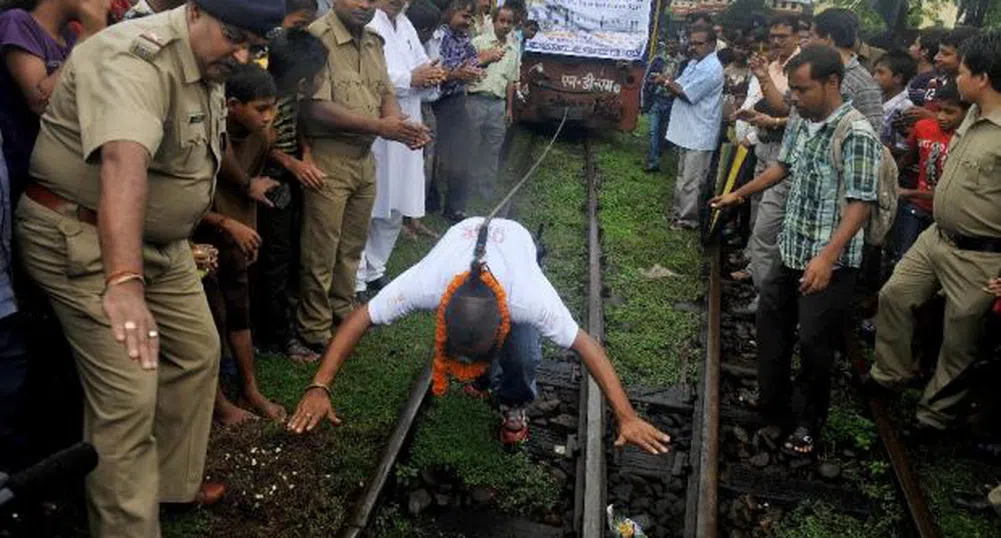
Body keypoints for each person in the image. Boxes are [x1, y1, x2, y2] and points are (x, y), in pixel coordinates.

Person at [13, 1, 285, 536]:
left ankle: (163, 488)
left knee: (196, 352)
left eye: (252, 45)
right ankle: (126, 525)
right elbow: (123, 163)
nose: (241, 54)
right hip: (82, 237)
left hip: (156, 242)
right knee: (129, 391)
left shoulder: (211, 60)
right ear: (194, 12)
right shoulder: (135, 58)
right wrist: (124, 282)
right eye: (233, 37)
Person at [286, 217, 672, 452]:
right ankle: (484, 377)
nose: (463, 360)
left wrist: (626, 416)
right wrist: (320, 385)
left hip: (516, 240)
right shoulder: (426, 283)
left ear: (503, 322)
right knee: (483, 366)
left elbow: (588, 345)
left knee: (523, 357)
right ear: (442, 318)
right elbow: (360, 318)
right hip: (462, 234)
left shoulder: (529, 300)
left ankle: (513, 401)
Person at [711, 45, 882, 455]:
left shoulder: (857, 134)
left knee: (815, 344)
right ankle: (772, 399)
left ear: (833, 83)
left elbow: (861, 203)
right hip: (791, 250)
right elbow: (781, 167)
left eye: (803, 90)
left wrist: (826, 257)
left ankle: (808, 421)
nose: (795, 98)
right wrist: (738, 194)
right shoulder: (802, 121)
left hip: (829, 262)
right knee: (772, 322)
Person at [868, 31, 1001, 435]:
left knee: (960, 341)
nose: (954, 77)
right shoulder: (971, 114)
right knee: (895, 295)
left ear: (981, 77)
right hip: (936, 238)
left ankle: (934, 416)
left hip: (981, 256)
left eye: (960, 71)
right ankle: (889, 374)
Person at [294, 0, 431, 354]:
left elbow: (384, 92)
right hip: (329, 158)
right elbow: (315, 108)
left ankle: (342, 314)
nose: (365, 4)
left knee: (351, 246)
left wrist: (402, 127)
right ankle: (313, 329)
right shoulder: (316, 37)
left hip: (364, 158)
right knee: (321, 249)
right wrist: (381, 126)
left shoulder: (372, 41)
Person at [195, 63, 286, 425]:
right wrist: (225, 223)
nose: (269, 117)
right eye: (261, 109)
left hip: (237, 234)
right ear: (232, 105)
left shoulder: (264, 136)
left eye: (272, 107)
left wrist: (246, 226)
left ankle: (250, 388)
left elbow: (251, 184)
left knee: (238, 307)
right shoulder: (207, 133)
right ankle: (216, 403)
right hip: (201, 233)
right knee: (208, 319)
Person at [355, 0, 445, 297]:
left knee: (397, 203)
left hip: (410, 122)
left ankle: (376, 269)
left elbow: (423, 66)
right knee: (369, 203)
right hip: (378, 124)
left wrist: (432, 76)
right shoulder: (367, 22)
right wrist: (411, 78)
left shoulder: (405, 24)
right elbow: (369, 75)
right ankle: (355, 276)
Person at [255, 27, 327, 363]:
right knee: (275, 258)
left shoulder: (288, 93)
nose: (322, 79)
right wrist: (290, 163)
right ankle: (275, 337)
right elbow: (255, 145)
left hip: (289, 173)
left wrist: (306, 152)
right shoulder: (263, 96)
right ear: (303, 83)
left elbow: (295, 127)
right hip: (269, 180)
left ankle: (285, 323)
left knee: (291, 250)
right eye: (319, 75)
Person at [0, 0, 106, 199]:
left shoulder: (71, 37)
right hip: (15, 167)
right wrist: (90, 36)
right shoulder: (17, 22)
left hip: (44, 177)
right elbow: (40, 101)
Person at [730, 15, 800, 296]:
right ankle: (753, 261)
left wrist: (770, 121)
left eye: (783, 36)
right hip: (762, 140)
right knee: (757, 204)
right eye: (773, 36)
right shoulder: (771, 64)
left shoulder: (801, 67)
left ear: (797, 36)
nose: (777, 41)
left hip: (783, 147)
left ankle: (764, 280)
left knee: (771, 213)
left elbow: (790, 112)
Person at [425, 0, 501, 223]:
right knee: (431, 156)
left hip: (455, 101)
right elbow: (435, 71)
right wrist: (459, 74)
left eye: (470, 18)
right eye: (464, 17)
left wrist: (483, 62)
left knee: (462, 153)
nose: (467, 22)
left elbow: (470, 63)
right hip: (434, 102)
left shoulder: (464, 38)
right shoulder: (438, 36)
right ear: (450, 13)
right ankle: (428, 201)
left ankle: (455, 207)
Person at [889, 80, 968, 264]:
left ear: (966, 112)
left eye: (950, 112)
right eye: (939, 110)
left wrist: (909, 193)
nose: (941, 116)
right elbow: (909, 157)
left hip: (947, 214)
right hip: (918, 207)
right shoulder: (923, 127)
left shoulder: (967, 138)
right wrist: (891, 178)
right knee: (904, 259)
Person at [663, 23, 723, 231]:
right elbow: (678, 84)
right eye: (692, 43)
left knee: (692, 181)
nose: (694, 47)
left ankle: (688, 220)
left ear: (712, 45)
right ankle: (678, 213)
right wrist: (669, 83)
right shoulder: (694, 63)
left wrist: (666, 83)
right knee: (682, 176)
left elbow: (687, 93)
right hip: (688, 130)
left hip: (700, 133)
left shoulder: (713, 69)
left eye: (699, 43)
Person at [467, 3, 519, 199]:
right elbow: (466, 68)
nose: (505, 25)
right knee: (471, 145)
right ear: (494, 21)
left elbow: (511, 82)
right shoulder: (478, 43)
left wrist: (509, 109)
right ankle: (467, 187)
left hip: (497, 104)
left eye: (509, 22)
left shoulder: (513, 50)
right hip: (475, 100)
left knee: (492, 149)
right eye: (502, 21)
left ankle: (485, 190)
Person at [808, 8, 882, 132]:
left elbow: (872, 134)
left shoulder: (862, 83)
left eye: (812, 36)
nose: (807, 42)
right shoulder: (818, 73)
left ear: (828, 38)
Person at [642, 39, 683, 172]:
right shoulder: (658, 60)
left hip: (672, 101)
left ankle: (657, 154)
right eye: (669, 44)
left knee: (663, 132)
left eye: (674, 44)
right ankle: (654, 161)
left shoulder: (683, 63)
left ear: (678, 46)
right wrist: (645, 100)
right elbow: (646, 79)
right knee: (653, 130)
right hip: (656, 99)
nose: (671, 46)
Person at [873, 50, 916, 155]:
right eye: (875, 72)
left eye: (881, 72)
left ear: (898, 78)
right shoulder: (878, 97)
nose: (875, 77)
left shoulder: (905, 107)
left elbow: (905, 148)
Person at [906, 28, 943, 107]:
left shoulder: (930, 81)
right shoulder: (915, 74)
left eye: (915, 44)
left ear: (924, 51)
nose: (910, 47)